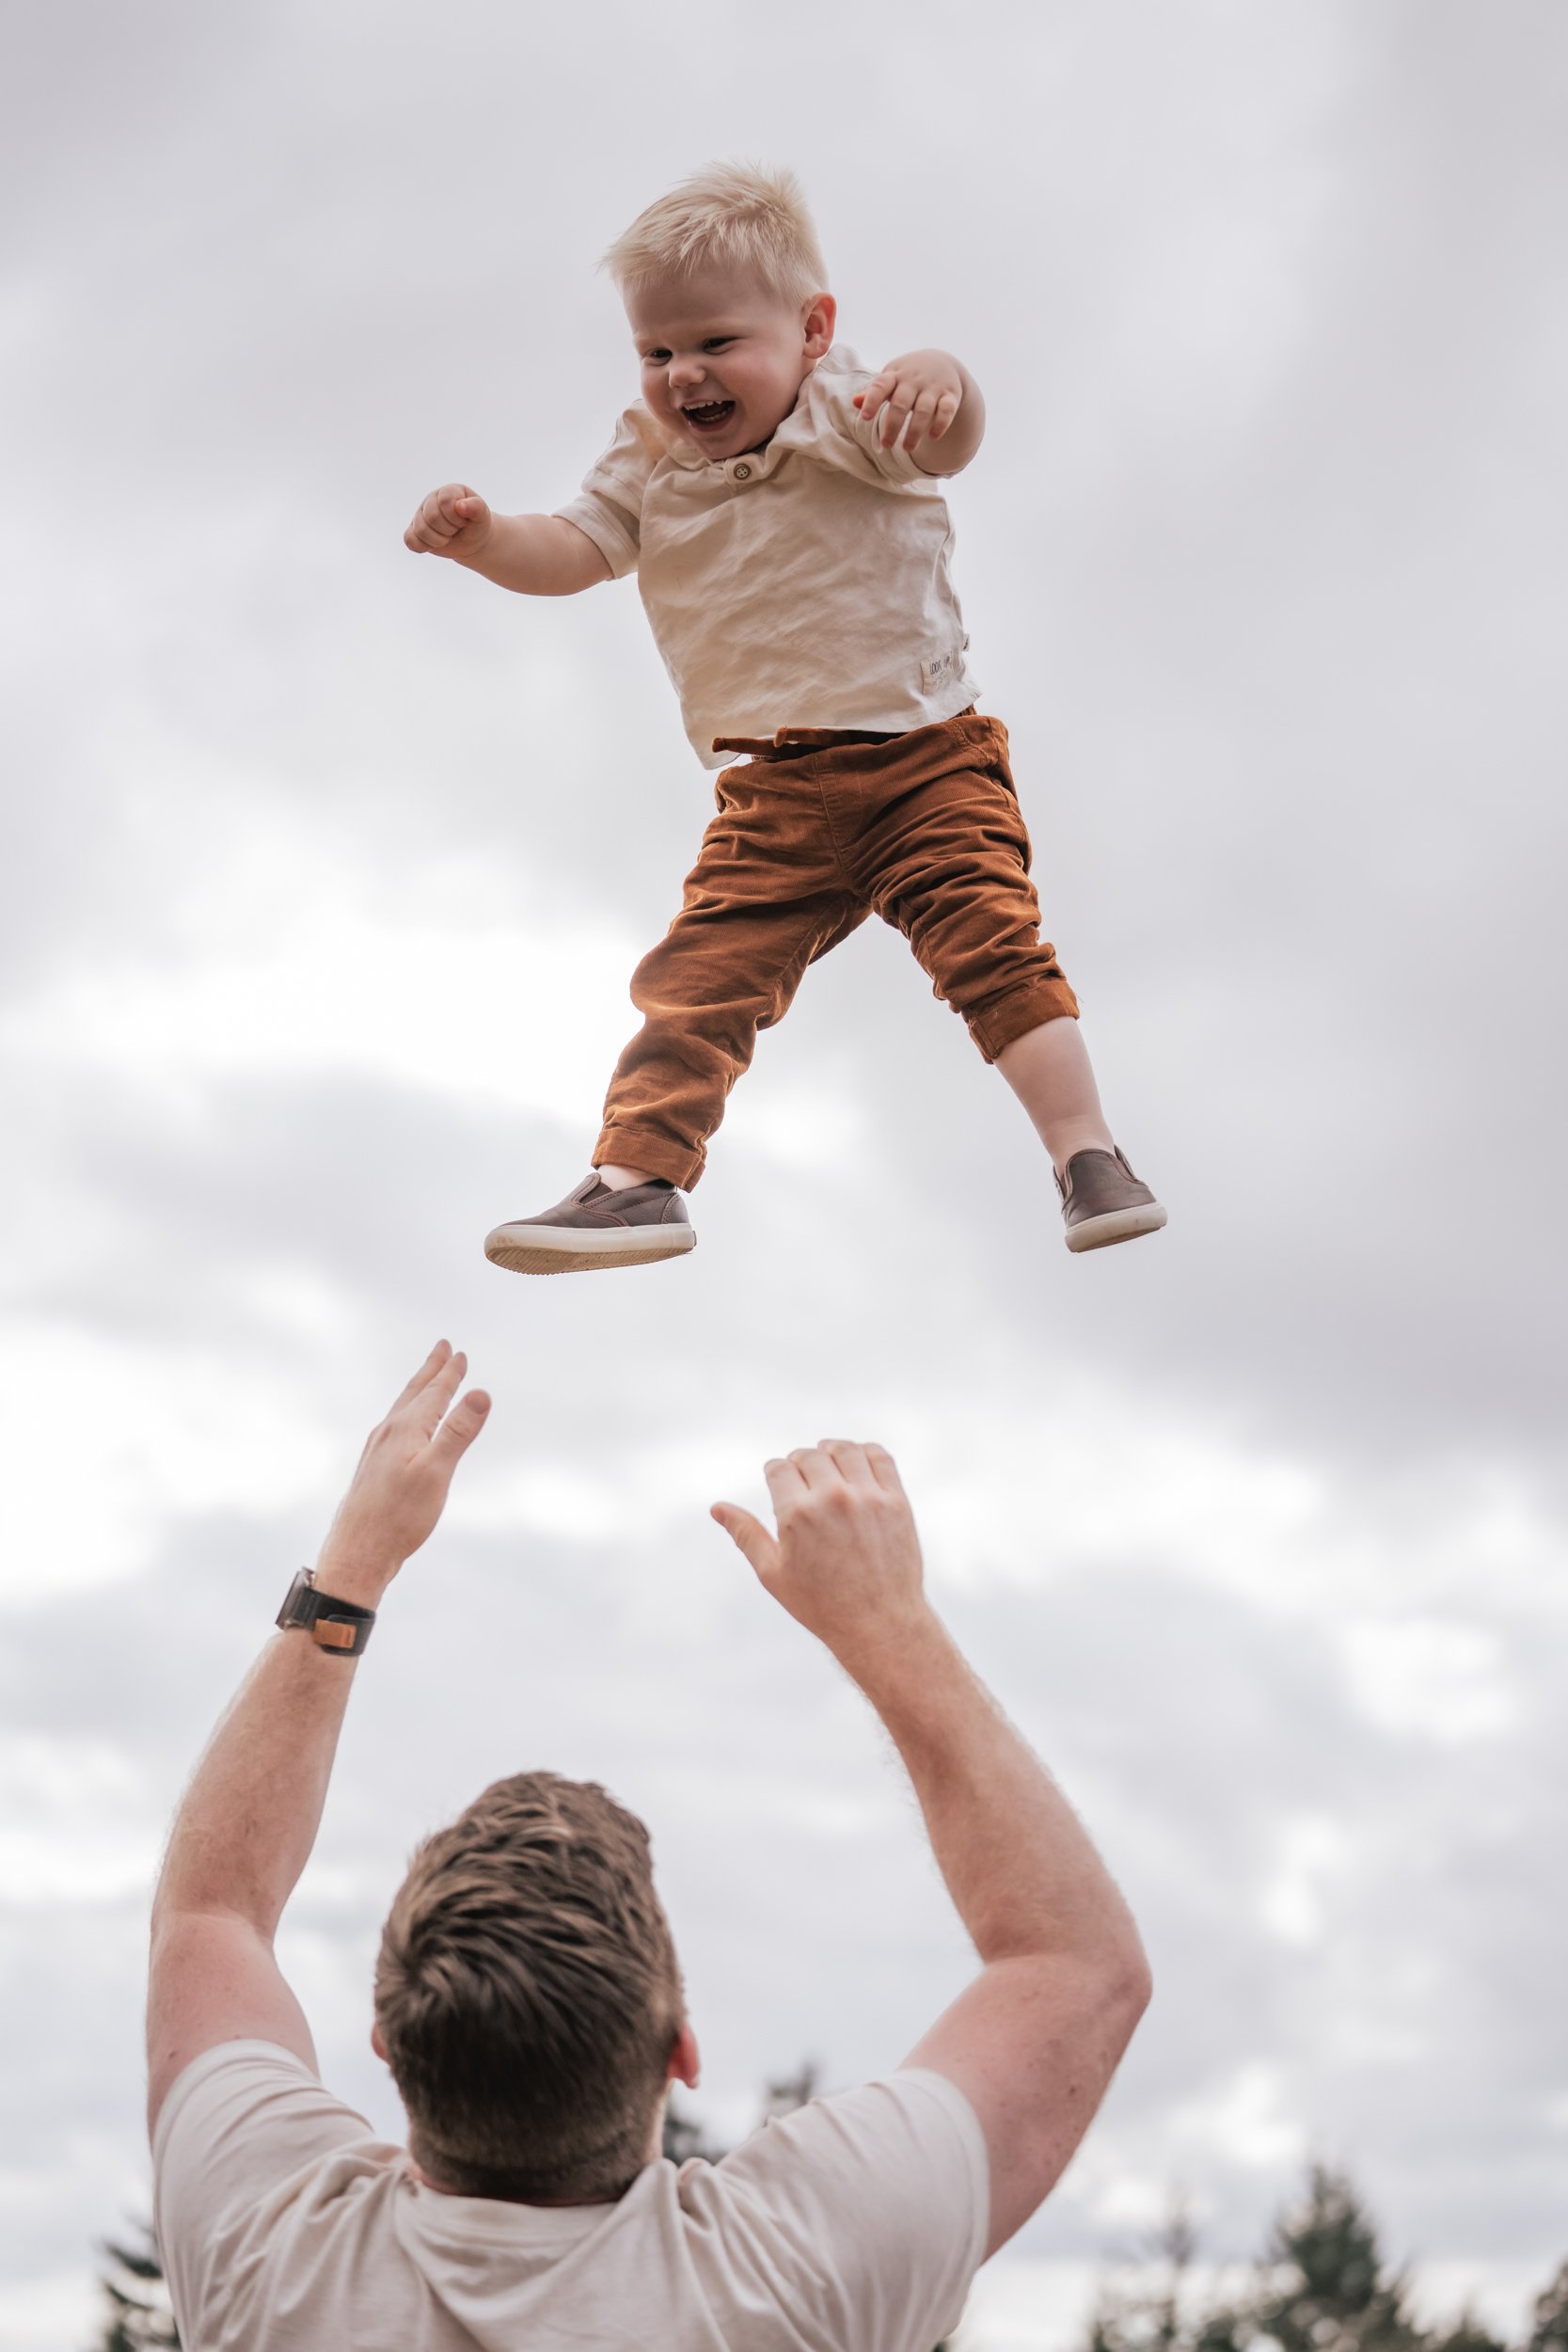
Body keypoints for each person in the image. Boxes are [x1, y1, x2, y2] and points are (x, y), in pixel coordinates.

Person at [148, 1343, 1152, 2348]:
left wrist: (351, 1567)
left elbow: (212, 1909)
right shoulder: (784, 2278)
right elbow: (1073, 1964)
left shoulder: (268, 2257)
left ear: (389, 2043)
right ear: (679, 2051)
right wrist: (885, 1624)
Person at [404, 162, 1167, 1272]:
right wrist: (483, 540)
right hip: (769, 792)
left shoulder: (857, 409)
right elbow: (572, 550)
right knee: (696, 983)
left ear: (812, 330)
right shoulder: (647, 456)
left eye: (715, 342)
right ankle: (636, 1183)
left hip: (921, 762)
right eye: (656, 352)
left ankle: (1085, 1153)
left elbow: (948, 444)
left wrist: (947, 378)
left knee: (991, 946)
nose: (683, 375)